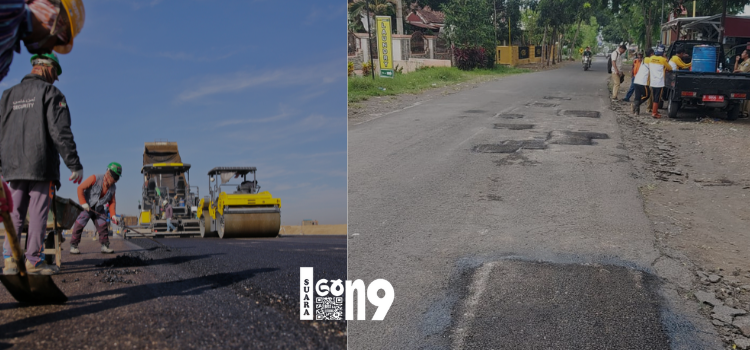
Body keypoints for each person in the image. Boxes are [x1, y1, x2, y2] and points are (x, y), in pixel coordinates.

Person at [0, 53, 83, 275]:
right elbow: (60, 131)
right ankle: (33, 261)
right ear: (46, 67)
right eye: (56, 72)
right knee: (38, 212)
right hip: (40, 164)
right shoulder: (51, 93)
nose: (56, 78)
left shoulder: (7, 95)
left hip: (12, 167)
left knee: (14, 211)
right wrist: (74, 163)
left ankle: (10, 259)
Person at [0, 0, 85, 83]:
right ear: (50, 17)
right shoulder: (8, 6)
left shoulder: (6, 60)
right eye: (57, 41)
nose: (50, 50)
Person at [69, 163, 122, 254]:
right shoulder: (95, 178)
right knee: (79, 224)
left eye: (117, 178)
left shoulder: (113, 188)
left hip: (99, 208)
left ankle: (105, 246)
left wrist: (113, 215)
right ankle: (73, 246)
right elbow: (80, 188)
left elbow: (112, 202)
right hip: (87, 206)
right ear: (108, 173)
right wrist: (83, 203)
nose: (114, 180)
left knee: (103, 225)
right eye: (114, 177)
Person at [647, 45, 672, 118]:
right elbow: (669, 68)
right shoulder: (663, 59)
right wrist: (666, 59)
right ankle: (654, 113)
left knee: (654, 96)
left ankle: (653, 111)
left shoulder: (651, 58)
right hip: (659, 82)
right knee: (657, 97)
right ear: (663, 52)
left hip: (652, 81)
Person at [632, 49, 653, 115]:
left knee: (637, 96)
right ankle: (636, 105)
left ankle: (636, 111)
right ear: (651, 54)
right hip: (643, 82)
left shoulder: (645, 60)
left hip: (637, 80)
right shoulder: (649, 60)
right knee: (647, 95)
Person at [733, 49, 750, 117]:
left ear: (747, 55)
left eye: (743, 53)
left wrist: (736, 71)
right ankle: (741, 111)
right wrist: (736, 61)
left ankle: (745, 113)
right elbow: (735, 69)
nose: (741, 54)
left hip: (747, 81)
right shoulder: (743, 62)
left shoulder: (748, 62)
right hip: (742, 81)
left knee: (746, 99)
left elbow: (742, 71)